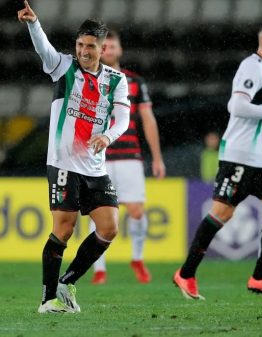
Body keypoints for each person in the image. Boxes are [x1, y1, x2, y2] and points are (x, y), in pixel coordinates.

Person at [17, 1, 131, 313]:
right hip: (63, 163)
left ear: (102, 47)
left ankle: (67, 281)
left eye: (90, 46)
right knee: (63, 229)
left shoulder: (116, 81)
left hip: (95, 167)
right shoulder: (64, 67)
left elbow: (122, 118)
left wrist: (107, 136)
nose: (83, 51)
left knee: (109, 227)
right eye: (80, 45)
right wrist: (33, 24)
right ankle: (47, 300)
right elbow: (45, 50)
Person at [173, 19, 262, 300]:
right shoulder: (252, 67)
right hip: (239, 157)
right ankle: (186, 273)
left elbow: (256, 112)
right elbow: (237, 105)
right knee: (222, 213)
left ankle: (261, 277)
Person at [88, 30, 166, 285]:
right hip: (98, 156)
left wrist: (157, 157)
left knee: (136, 210)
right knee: (98, 213)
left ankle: (137, 258)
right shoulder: (88, 80)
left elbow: (148, 119)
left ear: (120, 49)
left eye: (112, 45)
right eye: (105, 46)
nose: (108, 50)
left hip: (130, 155)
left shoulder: (135, 82)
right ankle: (99, 268)